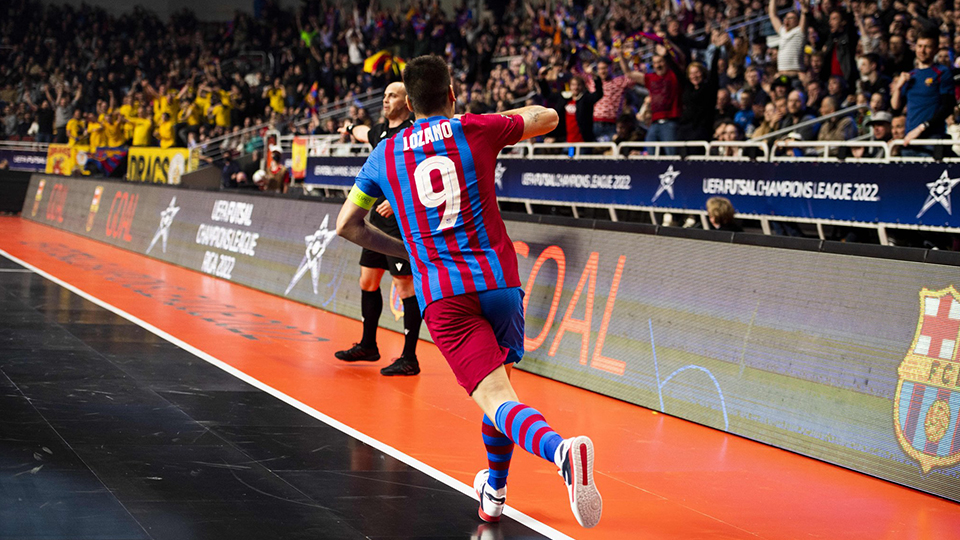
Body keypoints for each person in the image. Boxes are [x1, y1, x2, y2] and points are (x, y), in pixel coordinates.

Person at [336, 55, 602, 529]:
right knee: (500, 393)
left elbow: (347, 226)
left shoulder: (384, 155)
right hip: (500, 283)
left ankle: (561, 451)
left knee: (497, 398)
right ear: (452, 94)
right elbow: (549, 117)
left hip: (445, 293)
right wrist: (473, 120)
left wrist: (406, 249)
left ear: (411, 104)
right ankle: (494, 495)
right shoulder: (473, 128)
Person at [335, 82, 422, 376]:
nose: (385, 100)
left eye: (392, 96)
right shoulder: (380, 134)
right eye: (384, 95)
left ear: (407, 101)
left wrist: (398, 204)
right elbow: (362, 133)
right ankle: (368, 345)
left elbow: (423, 176)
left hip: (402, 225)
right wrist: (349, 129)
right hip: (375, 225)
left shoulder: (414, 133)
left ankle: (410, 358)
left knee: (405, 287)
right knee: (367, 281)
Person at [891, 29, 957, 155]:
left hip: (931, 139)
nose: (922, 50)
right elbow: (895, 106)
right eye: (920, 46)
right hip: (910, 138)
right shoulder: (911, 75)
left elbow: (947, 107)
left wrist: (922, 128)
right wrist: (898, 87)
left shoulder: (942, 72)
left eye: (927, 47)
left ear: (936, 50)